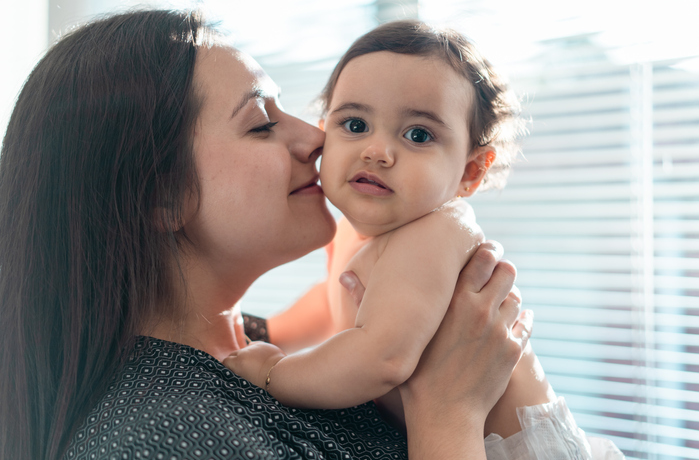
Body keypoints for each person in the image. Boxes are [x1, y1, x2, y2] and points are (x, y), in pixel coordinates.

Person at [0, 10, 531, 460]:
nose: (316, 138)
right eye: (261, 123)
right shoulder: (161, 434)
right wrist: (450, 414)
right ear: (160, 196)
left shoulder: (248, 344)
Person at [224, 20, 625, 459]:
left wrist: (273, 372)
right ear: (324, 131)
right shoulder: (350, 234)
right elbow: (333, 301)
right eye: (355, 125)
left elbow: (382, 357)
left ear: (471, 170)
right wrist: (266, 332)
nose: (377, 151)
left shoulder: (434, 234)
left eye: (418, 135)